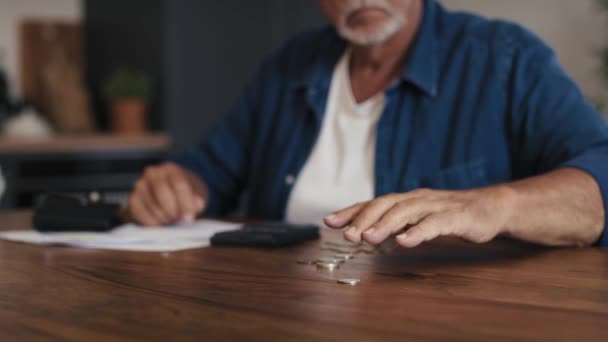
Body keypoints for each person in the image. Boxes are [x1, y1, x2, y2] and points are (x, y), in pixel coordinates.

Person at [127, 0, 608, 248]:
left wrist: (496, 205)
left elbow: (600, 183)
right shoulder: (290, 66)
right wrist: (176, 187)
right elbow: (207, 172)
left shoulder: (504, 58)